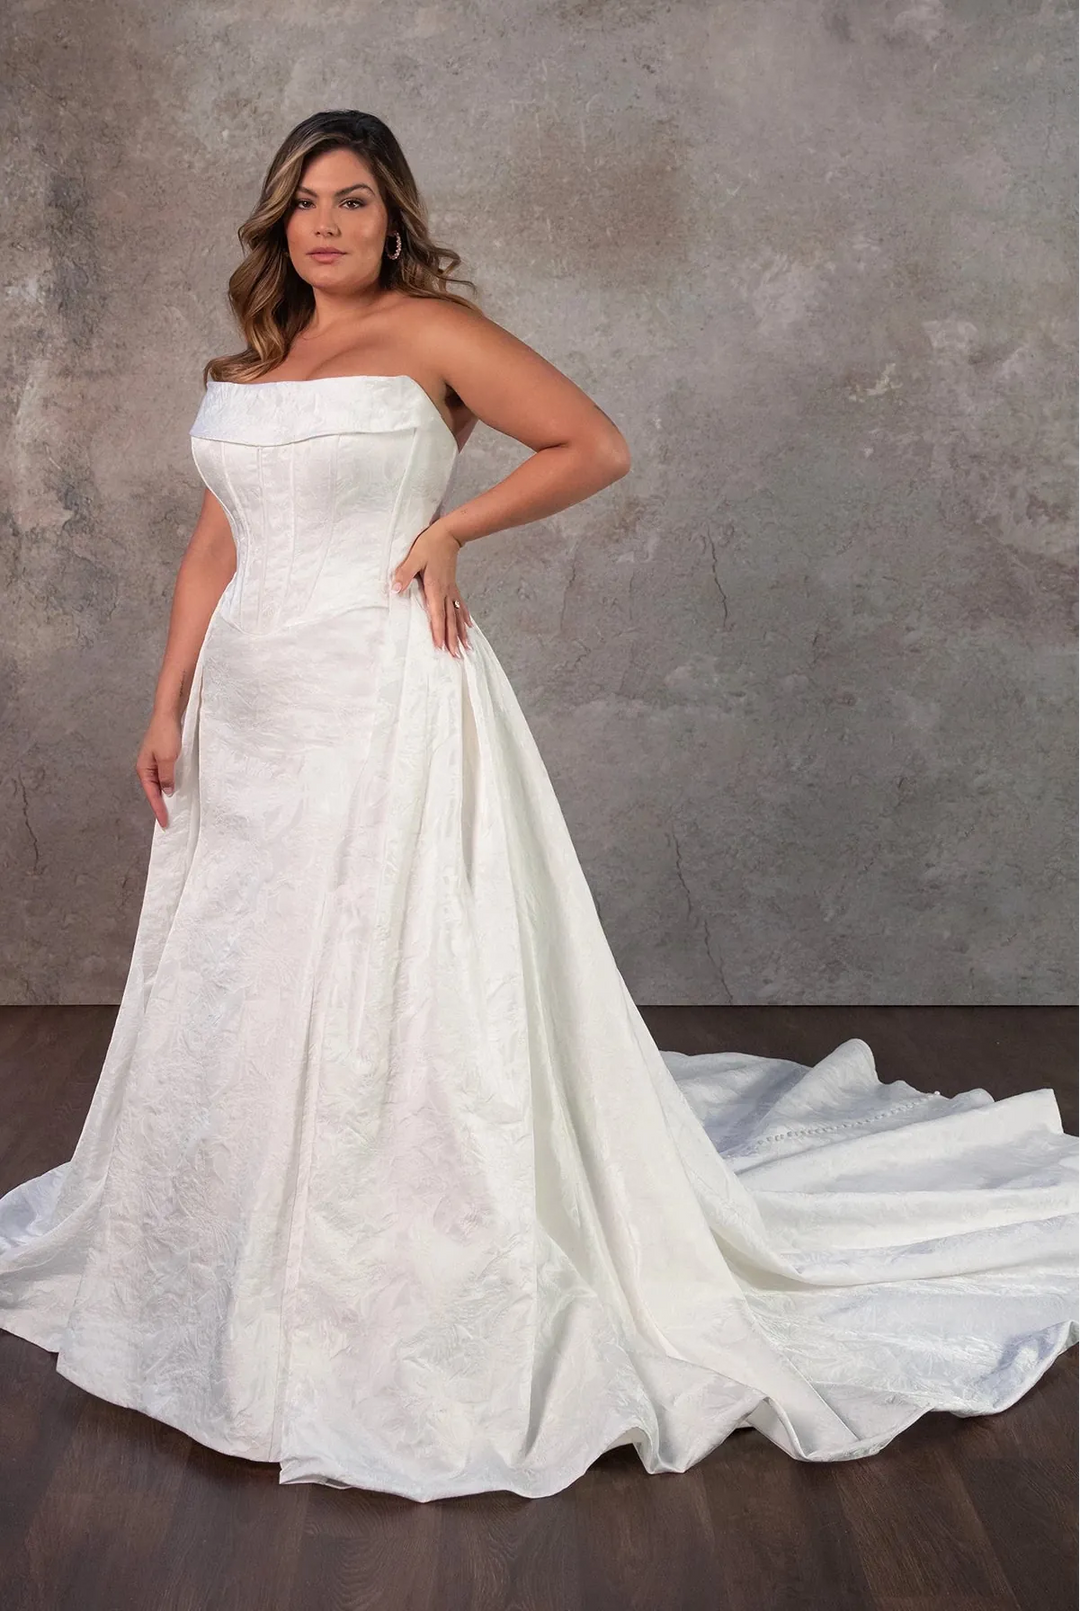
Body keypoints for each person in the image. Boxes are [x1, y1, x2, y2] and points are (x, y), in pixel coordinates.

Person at [1, 110, 1077, 1505]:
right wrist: (166, 701)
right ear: (279, 227)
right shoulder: (262, 361)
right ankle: (230, 1240)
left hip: (386, 692)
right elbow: (217, 544)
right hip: (252, 716)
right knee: (245, 967)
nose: (327, 225)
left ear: (393, 219)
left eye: (354, 202)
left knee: (392, 963)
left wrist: (450, 527)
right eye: (305, 205)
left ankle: (389, 1253)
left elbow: (594, 443)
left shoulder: (434, 333)